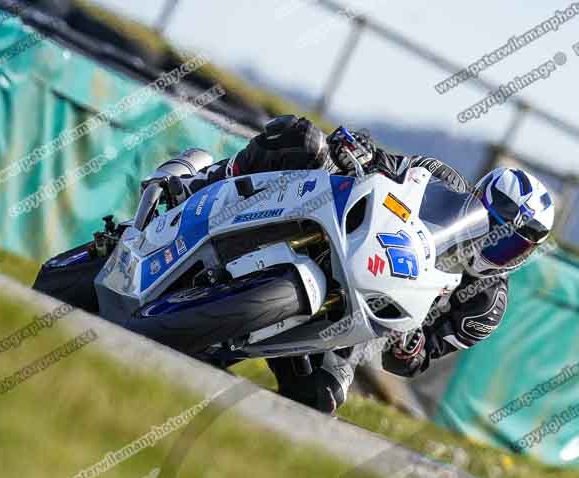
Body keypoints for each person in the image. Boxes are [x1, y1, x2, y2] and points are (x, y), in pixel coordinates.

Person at [161, 115, 555, 414]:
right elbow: (382, 164)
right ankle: (200, 183)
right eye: (493, 227)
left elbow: (417, 358)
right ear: (476, 198)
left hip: (353, 330)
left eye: (510, 245)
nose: (491, 244)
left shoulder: (484, 306)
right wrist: (358, 149)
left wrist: (411, 347)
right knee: (301, 137)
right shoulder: (438, 178)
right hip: (345, 241)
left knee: (321, 400)